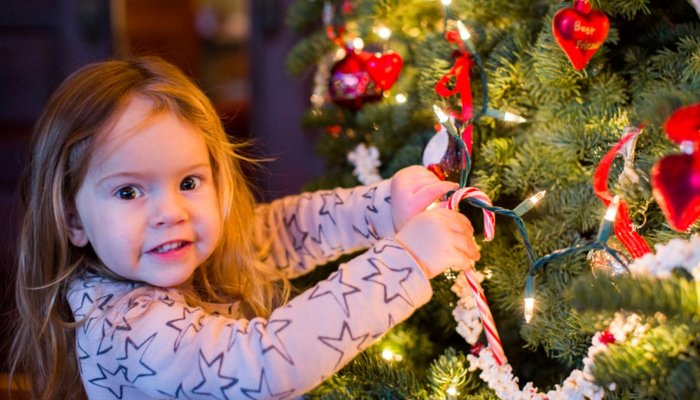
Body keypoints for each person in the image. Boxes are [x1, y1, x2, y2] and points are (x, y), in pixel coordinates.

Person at [10, 56, 479, 399]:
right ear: (73, 220)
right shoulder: (124, 325)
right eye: (129, 192)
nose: (170, 212)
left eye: (189, 181)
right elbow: (261, 366)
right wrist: (408, 261)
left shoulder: (197, 250)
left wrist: (385, 207)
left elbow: (287, 231)